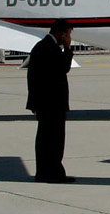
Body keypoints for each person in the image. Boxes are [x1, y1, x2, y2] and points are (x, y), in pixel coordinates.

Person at [25, 19, 75, 183]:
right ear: (61, 34)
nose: (69, 38)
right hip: (51, 102)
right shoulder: (49, 48)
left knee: (46, 139)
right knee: (54, 139)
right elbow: (63, 68)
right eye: (68, 35)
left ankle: (45, 172)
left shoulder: (43, 46)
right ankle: (53, 173)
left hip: (45, 102)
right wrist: (68, 49)